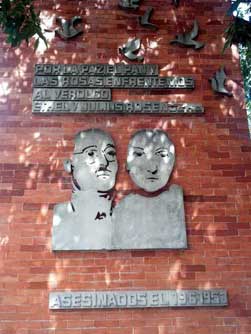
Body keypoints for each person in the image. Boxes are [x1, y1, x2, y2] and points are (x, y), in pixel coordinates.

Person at [112, 129, 187, 250]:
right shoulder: (121, 209)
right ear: (127, 164)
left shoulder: (174, 202)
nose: (152, 168)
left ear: (173, 161)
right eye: (139, 154)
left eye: (162, 155)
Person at [52, 129, 118, 250]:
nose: (103, 162)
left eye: (110, 153)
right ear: (70, 165)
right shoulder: (62, 215)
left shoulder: (124, 216)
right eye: (91, 153)